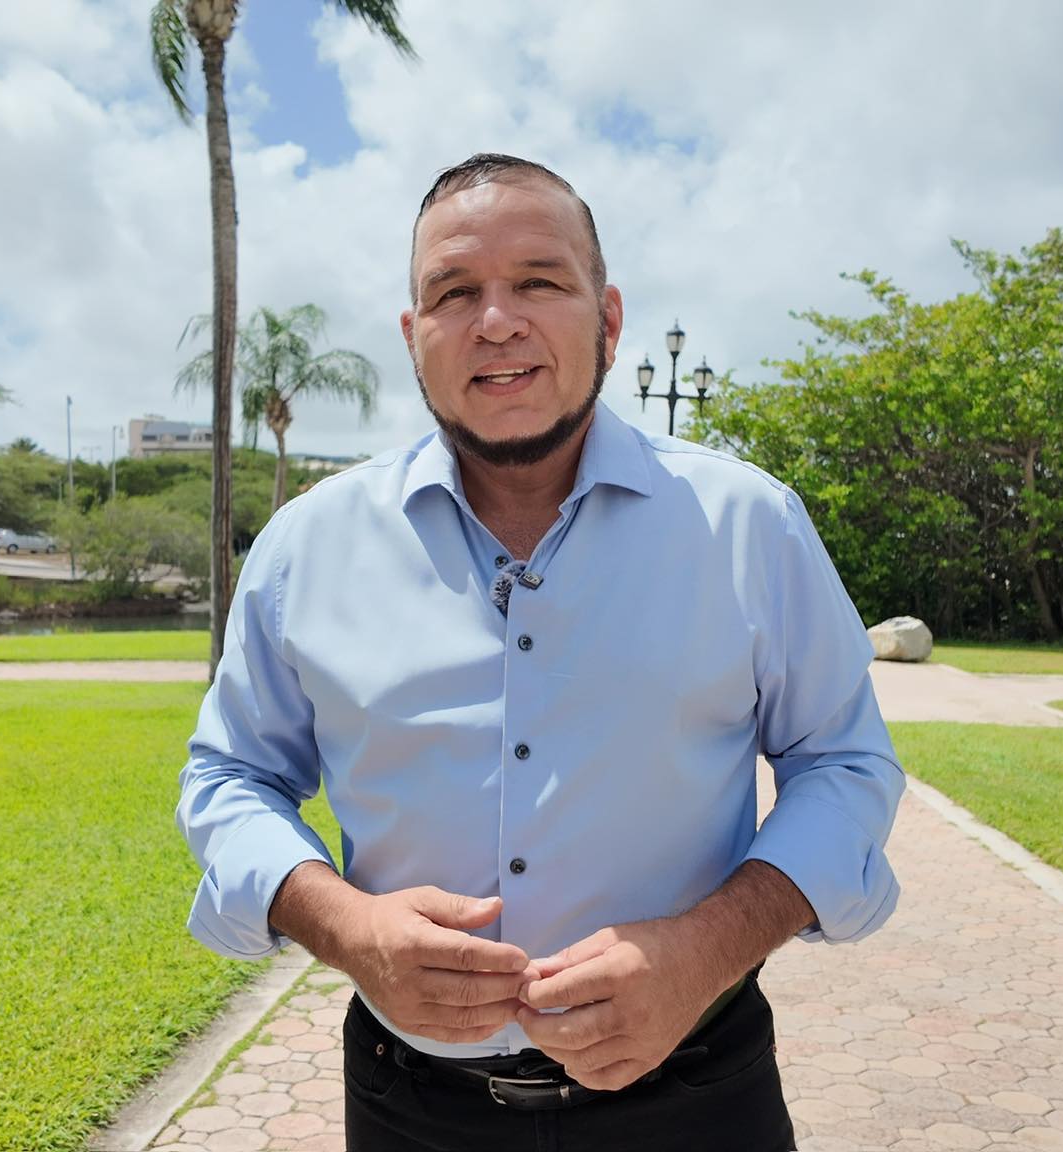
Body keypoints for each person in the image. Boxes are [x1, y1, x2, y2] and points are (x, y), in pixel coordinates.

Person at [177, 153, 905, 1151]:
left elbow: (844, 764)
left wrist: (704, 949)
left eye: (538, 282)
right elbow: (229, 778)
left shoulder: (749, 527)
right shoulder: (309, 547)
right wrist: (346, 926)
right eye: (454, 293)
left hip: (697, 1096)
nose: (495, 321)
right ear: (413, 335)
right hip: (409, 1108)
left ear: (608, 320)